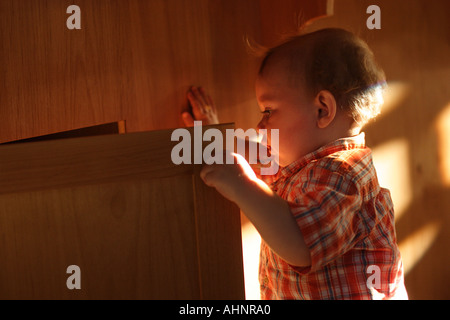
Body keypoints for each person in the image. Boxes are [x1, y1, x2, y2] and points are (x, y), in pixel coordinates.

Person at [182, 28, 408, 300]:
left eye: (269, 110)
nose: (260, 124)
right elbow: (253, 153)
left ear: (322, 109)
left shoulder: (343, 175)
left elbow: (301, 243)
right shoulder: (303, 164)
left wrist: (241, 183)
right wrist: (211, 133)